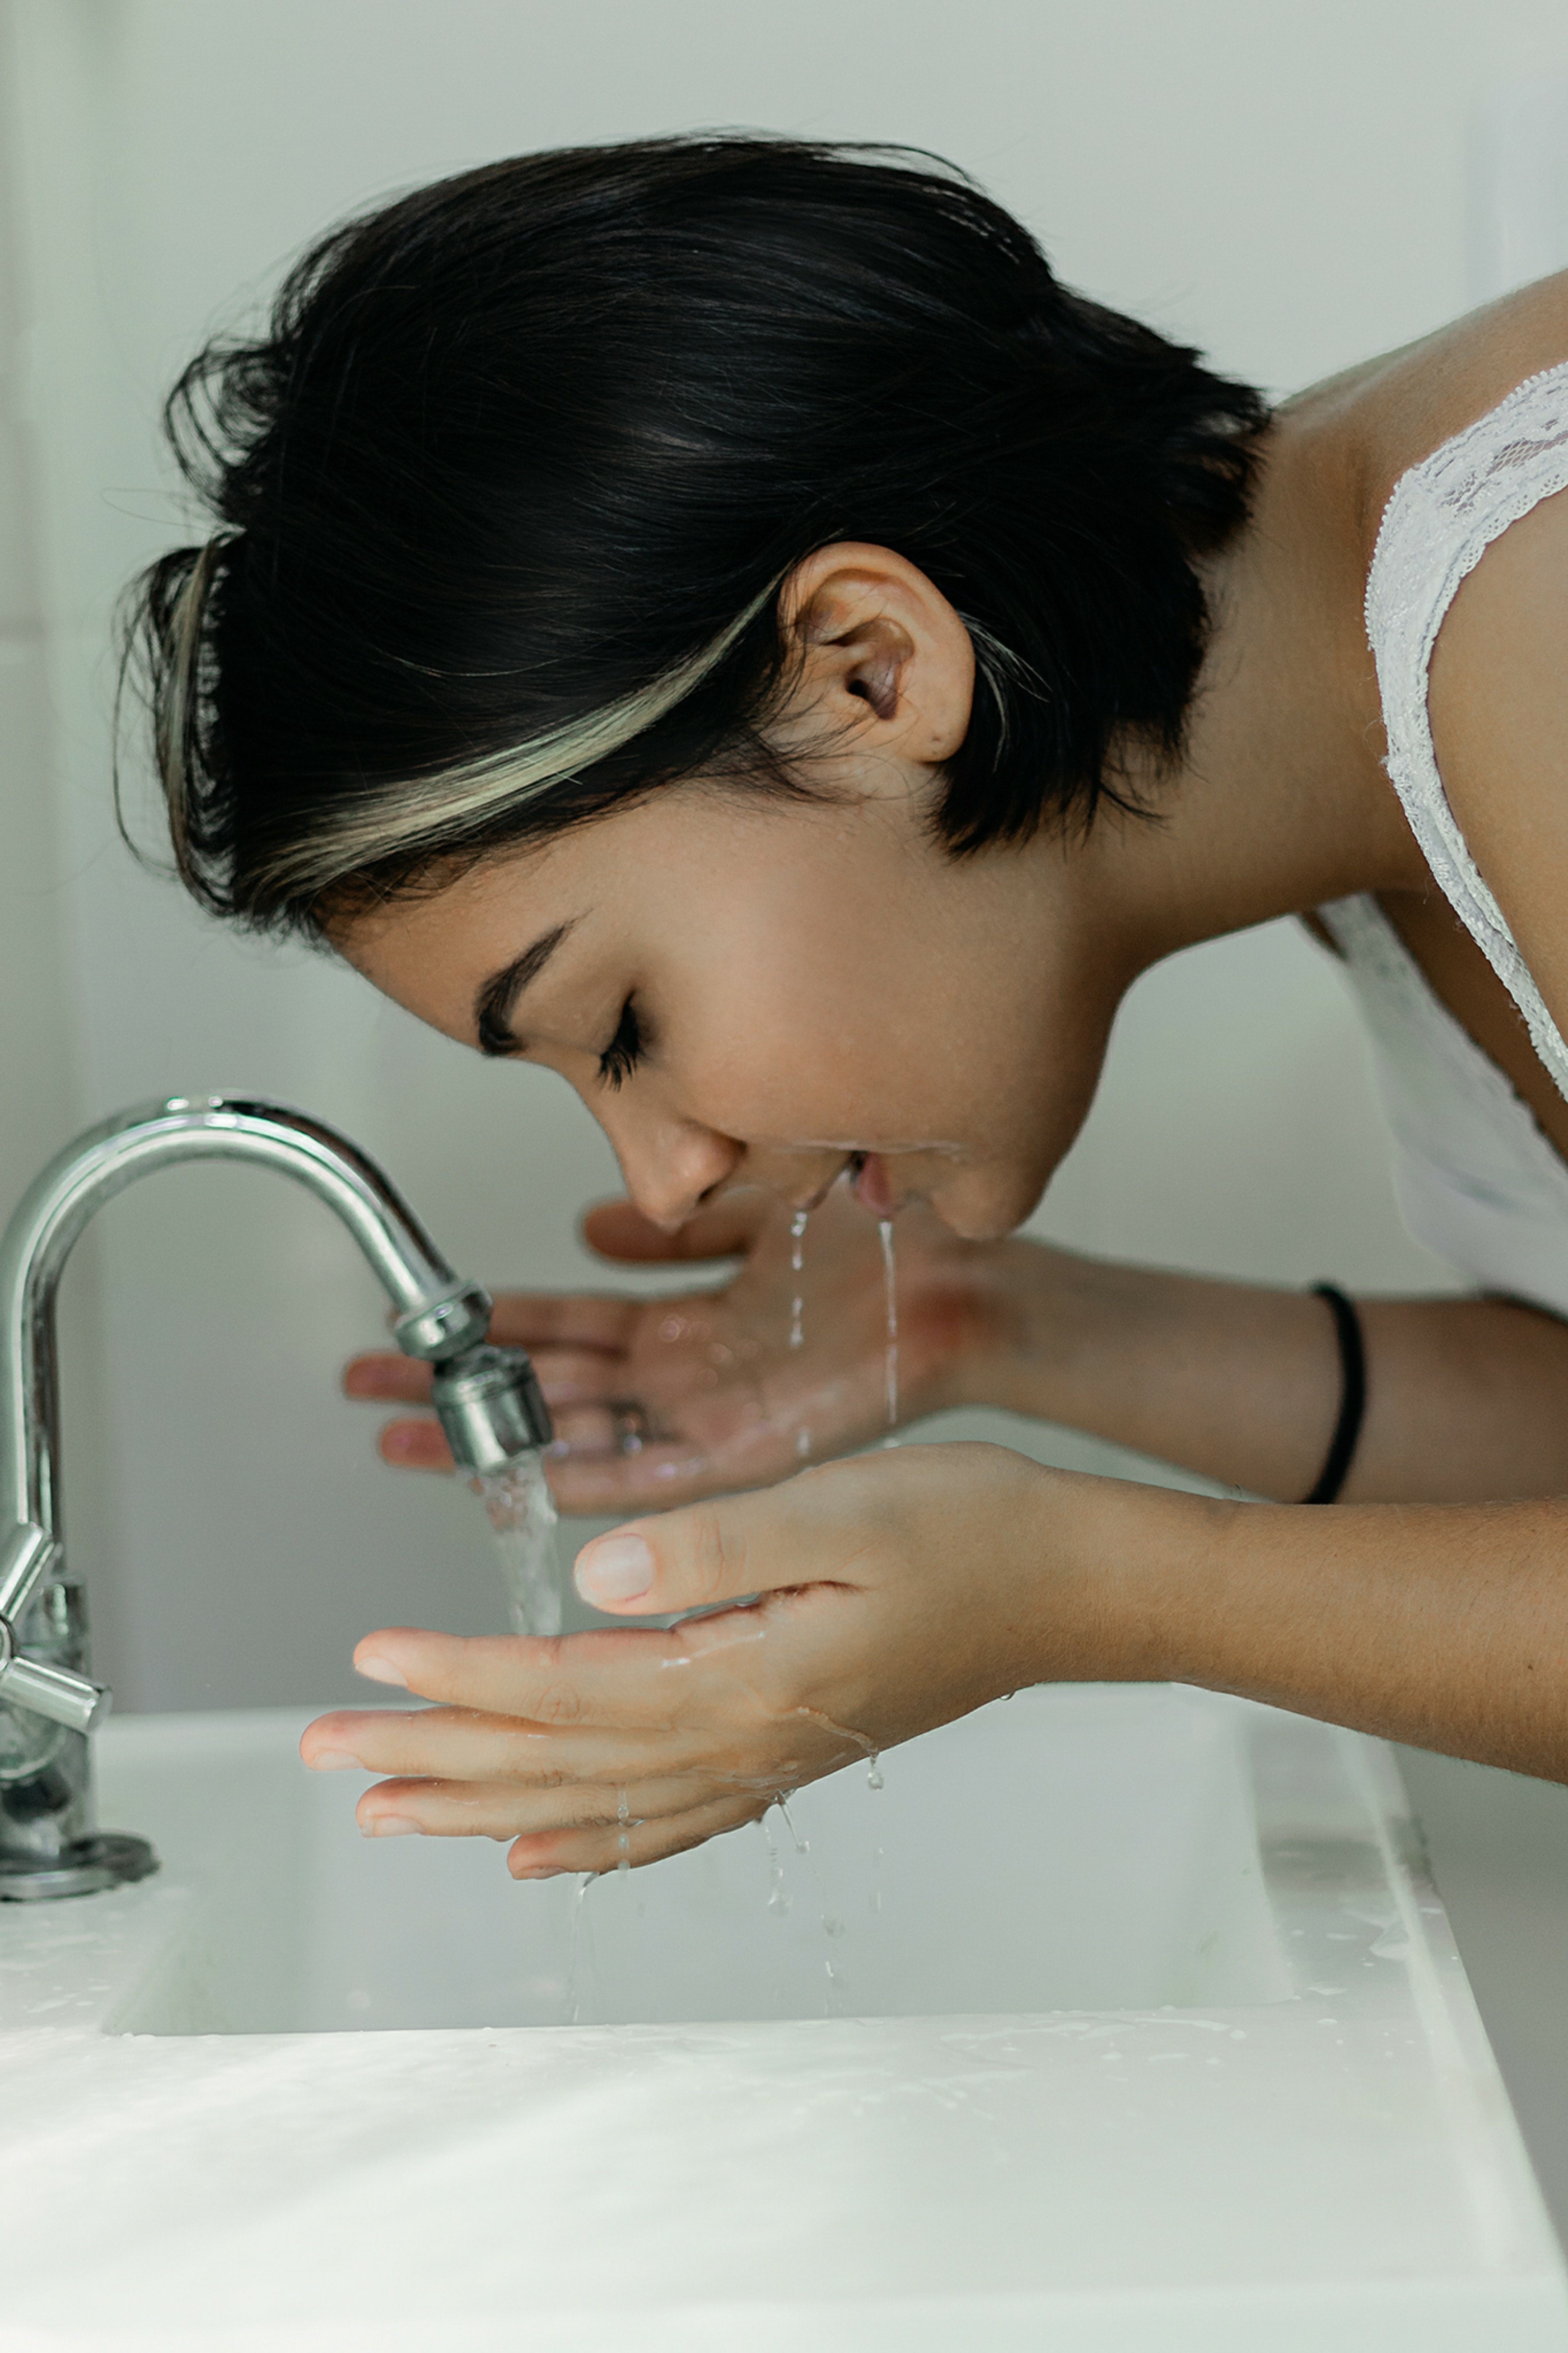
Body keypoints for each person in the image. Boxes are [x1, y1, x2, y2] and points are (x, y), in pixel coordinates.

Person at [125, 135, 1568, 1875]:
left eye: (626, 1021)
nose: (670, 1178)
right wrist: (994, 1328)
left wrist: (1087, 1586)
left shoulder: (1537, 604)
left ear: (872, 670)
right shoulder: (1361, 724)